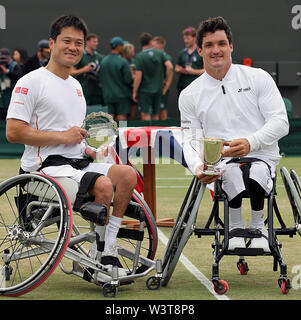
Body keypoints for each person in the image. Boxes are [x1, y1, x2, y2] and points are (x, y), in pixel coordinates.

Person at [6, 14, 137, 275]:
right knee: (102, 185)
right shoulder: (30, 82)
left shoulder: (76, 86)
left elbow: (73, 138)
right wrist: (64, 137)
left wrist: (88, 150)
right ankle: (97, 261)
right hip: (42, 171)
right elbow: (13, 132)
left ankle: (106, 247)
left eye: (79, 43)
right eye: (67, 41)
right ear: (52, 43)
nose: (73, 47)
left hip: (75, 164)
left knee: (127, 175)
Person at [179, 16, 289, 252]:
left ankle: (259, 227)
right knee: (230, 172)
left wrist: (251, 142)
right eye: (209, 45)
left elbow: (281, 122)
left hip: (263, 157)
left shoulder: (258, 77)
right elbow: (189, 140)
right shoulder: (189, 94)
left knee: (257, 170)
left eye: (221, 44)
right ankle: (235, 227)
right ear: (199, 50)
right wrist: (199, 165)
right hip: (221, 163)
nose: (216, 50)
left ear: (231, 46)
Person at [133, 32, 173, 121]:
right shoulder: (159, 53)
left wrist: (134, 91)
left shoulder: (139, 57)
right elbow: (170, 67)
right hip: (158, 89)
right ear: (150, 42)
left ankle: (147, 134)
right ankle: (155, 134)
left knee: (145, 114)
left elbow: (138, 76)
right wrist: (166, 81)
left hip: (145, 90)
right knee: (156, 114)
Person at [99, 37, 133, 121]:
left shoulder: (103, 61)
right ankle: (122, 134)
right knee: (122, 118)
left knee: (109, 117)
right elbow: (128, 80)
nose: (123, 48)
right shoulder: (123, 61)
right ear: (118, 46)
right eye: (122, 45)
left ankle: (109, 134)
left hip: (108, 95)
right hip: (122, 96)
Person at [71, 33, 104, 106]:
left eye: (97, 42)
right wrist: (84, 69)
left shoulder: (99, 57)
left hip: (97, 92)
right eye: (94, 42)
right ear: (88, 42)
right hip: (83, 91)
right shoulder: (80, 56)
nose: (96, 44)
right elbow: (71, 72)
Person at [175, 27, 204, 96]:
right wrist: (182, 70)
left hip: (197, 87)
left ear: (194, 38)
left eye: (188, 39)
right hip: (183, 87)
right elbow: (176, 68)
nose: (185, 41)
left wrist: (193, 71)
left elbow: (206, 71)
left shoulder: (201, 52)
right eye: (184, 39)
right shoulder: (182, 53)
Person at [152, 36, 174, 120]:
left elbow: (170, 70)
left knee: (162, 110)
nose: (152, 48)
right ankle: (152, 131)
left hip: (161, 88)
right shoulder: (155, 56)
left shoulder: (166, 58)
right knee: (155, 111)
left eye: (153, 46)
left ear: (160, 45)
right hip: (155, 88)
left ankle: (163, 131)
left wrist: (166, 86)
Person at [0, 48, 23, 114]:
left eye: (4, 58)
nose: (3, 60)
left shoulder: (15, 65)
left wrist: (7, 72)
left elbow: (19, 77)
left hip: (12, 96)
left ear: (9, 57)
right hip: (2, 96)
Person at [123, 42, 137, 120]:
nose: (133, 54)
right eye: (131, 52)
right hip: (123, 94)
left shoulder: (134, 61)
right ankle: (122, 130)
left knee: (131, 116)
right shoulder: (121, 62)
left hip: (132, 92)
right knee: (122, 116)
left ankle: (128, 130)